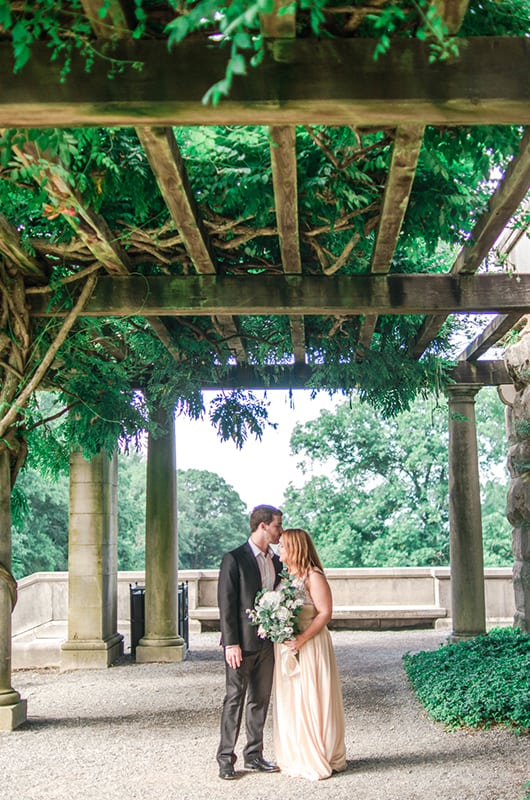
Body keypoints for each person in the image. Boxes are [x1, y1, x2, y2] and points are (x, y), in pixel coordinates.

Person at [273, 527, 347, 781]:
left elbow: (325, 612)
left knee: (313, 696)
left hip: (311, 643)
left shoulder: (313, 576)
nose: (278, 549)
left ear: (294, 548)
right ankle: (297, 752)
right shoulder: (287, 577)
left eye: (282, 545)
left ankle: (321, 752)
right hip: (289, 645)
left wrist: (302, 639)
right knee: (294, 698)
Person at [216, 504, 283, 780]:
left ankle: (254, 755)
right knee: (234, 699)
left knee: (260, 699)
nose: (281, 531)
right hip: (240, 645)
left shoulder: (277, 561)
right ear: (263, 526)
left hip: (268, 644)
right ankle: (225, 759)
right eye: (278, 525)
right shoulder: (234, 558)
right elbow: (226, 604)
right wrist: (231, 644)